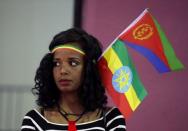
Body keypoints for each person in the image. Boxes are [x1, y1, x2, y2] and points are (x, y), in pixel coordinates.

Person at [21, 28, 126, 131]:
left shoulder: (110, 118)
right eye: (56, 63)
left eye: (73, 63)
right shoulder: (34, 120)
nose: (63, 71)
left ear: (89, 69)